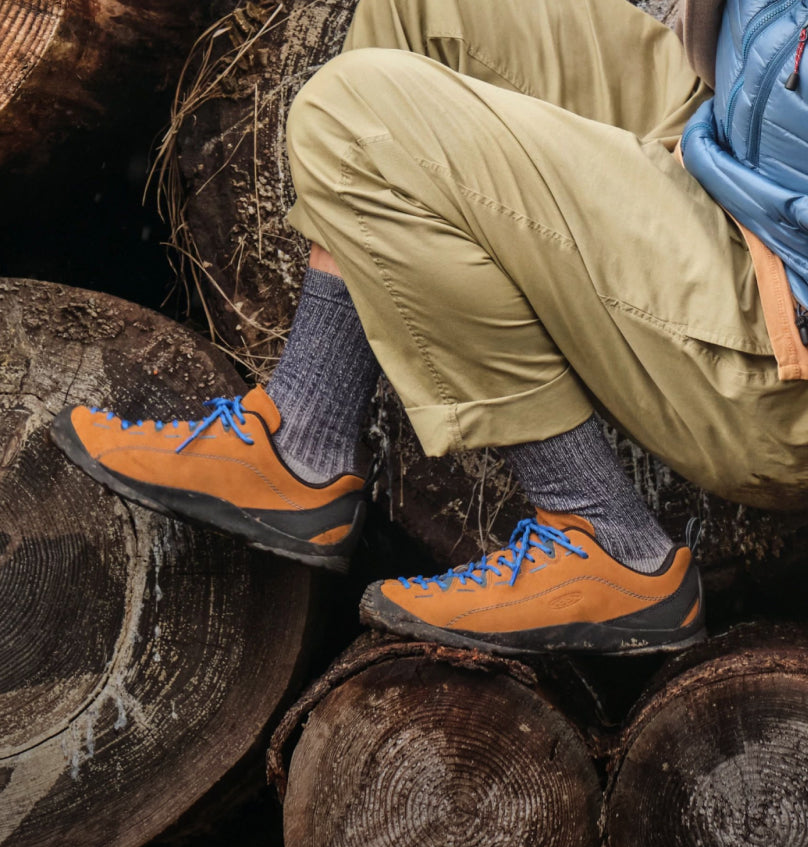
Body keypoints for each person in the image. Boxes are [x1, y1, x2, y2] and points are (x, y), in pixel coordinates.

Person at [50, 0, 808, 656]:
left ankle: (607, 544)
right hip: (747, 156)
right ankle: (301, 441)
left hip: (779, 334)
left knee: (360, 121)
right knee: (423, 14)